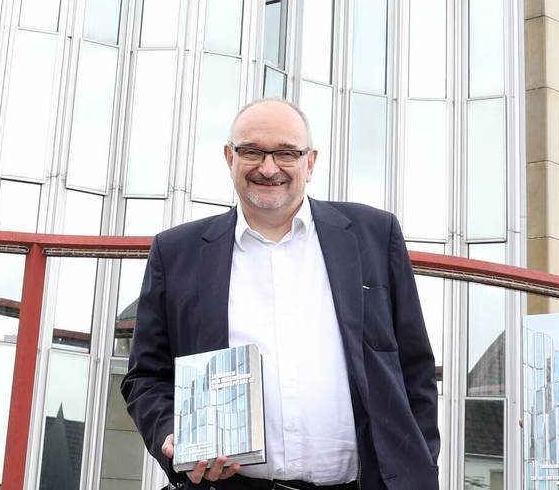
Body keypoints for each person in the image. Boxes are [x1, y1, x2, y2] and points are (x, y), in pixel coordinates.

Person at [122, 98, 440, 489]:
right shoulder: (176, 253)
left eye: (286, 153)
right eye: (252, 152)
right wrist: (172, 433)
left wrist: (421, 468)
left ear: (310, 162)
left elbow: (414, 368)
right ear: (230, 157)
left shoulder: (374, 234)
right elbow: (146, 376)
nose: (268, 168)